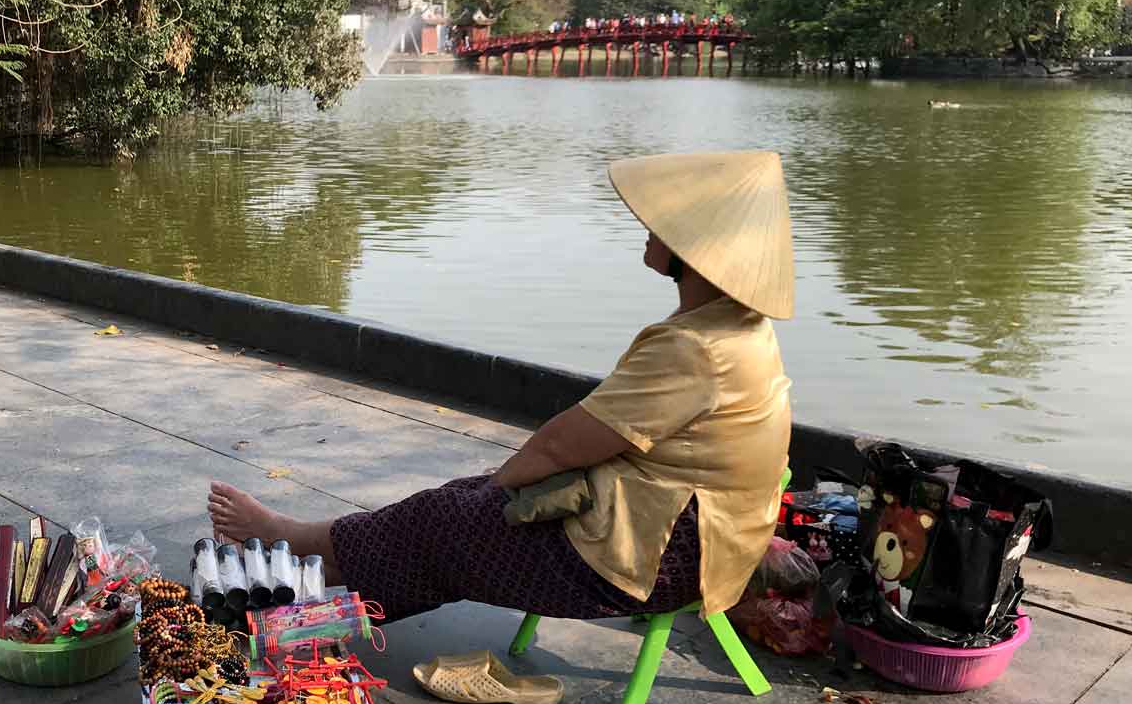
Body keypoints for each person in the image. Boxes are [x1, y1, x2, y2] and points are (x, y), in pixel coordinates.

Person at [208, 151, 794, 629]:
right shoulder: (737, 329)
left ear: (692, 251)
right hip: (689, 538)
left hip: (655, 559)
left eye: (663, 220)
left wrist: (489, 496)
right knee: (453, 510)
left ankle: (297, 591)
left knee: (450, 523)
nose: (647, 223)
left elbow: (561, 447)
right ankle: (298, 562)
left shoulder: (695, 348)